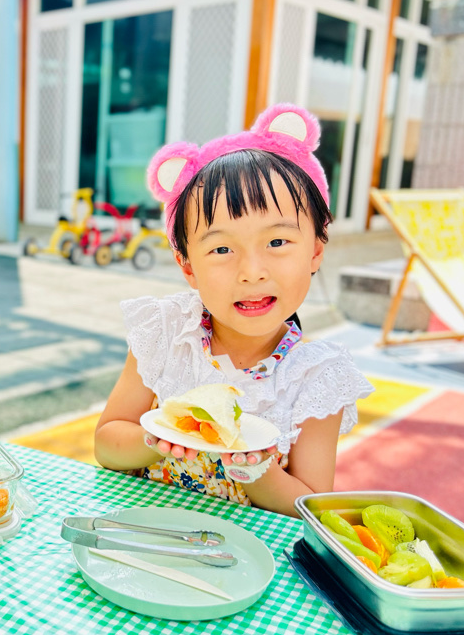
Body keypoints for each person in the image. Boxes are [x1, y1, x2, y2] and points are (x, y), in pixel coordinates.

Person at [95, 104, 372, 517]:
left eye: (277, 242)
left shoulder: (316, 377)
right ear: (188, 266)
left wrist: (252, 466)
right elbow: (106, 444)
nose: (251, 272)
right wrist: (158, 440)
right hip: (149, 531)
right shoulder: (167, 333)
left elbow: (308, 506)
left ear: (316, 250)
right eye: (222, 249)